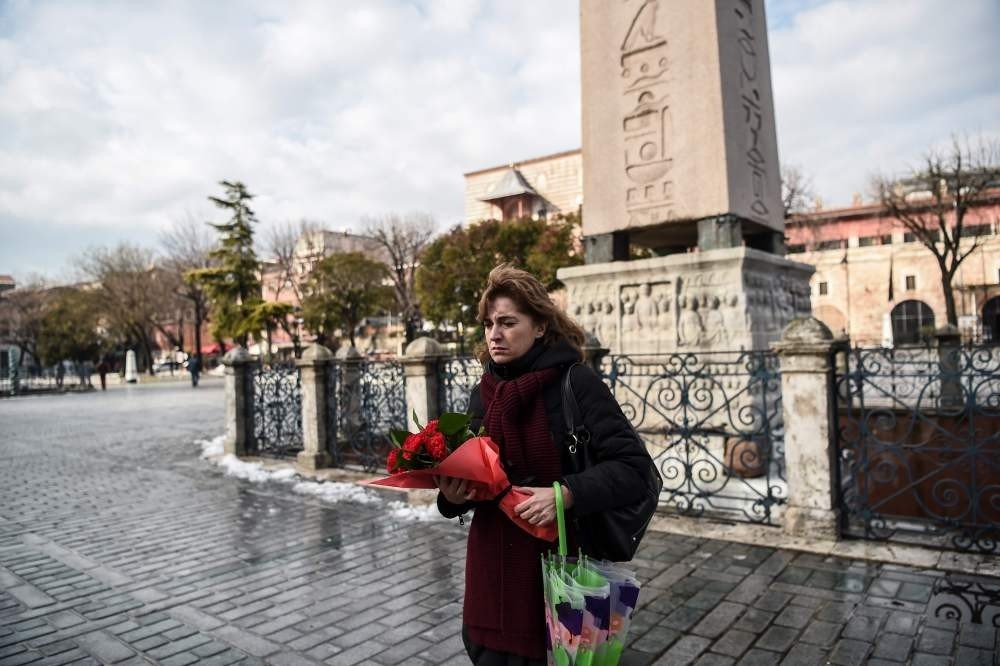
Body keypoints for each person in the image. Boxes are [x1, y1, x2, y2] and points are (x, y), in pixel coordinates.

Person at [436, 264, 653, 664]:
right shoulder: (484, 393)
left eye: (507, 322)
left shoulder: (576, 383)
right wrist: (451, 497)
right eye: (488, 324)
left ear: (539, 327)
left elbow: (635, 471)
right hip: (490, 578)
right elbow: (475, 478)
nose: (494, 334)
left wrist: (566, 494)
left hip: (560, 574)